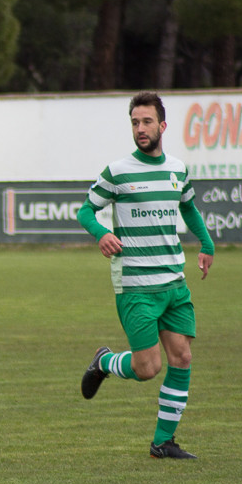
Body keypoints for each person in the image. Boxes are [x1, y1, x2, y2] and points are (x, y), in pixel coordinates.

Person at [77, 91, 214, 459]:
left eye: (147, 121)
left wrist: (206, 244)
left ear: (162, 126)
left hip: (173, 283)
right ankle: (105, 361)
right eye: (135, 122)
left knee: (182, 357)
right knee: (148, 368)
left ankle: (162, 443)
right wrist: (101, 233)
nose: (140, 128)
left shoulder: (177, 169)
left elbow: (189, 209)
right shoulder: (118, 172)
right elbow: (85, 211)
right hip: (136, 285)